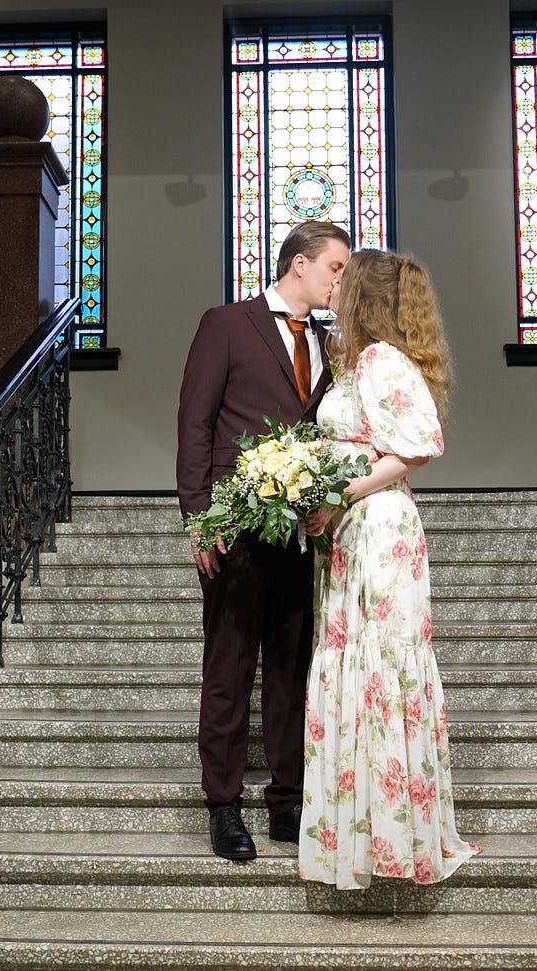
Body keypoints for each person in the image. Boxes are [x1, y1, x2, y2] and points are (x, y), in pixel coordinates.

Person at [298, 249, 481, 889]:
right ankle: (361, 833)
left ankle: (395, 837)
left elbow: (419, 446)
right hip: (353, 531)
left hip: (379, 531)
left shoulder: (383, 362)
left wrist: (340, 494)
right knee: (353, 662)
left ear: (363, 298)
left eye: (345, 281)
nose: (335, 287)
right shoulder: (357, 361)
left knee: (380, 666)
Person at [176, 220, 352, 861]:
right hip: (233, 526)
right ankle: (222, 807)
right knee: (229, 666)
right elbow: (194, 421)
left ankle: (288, 801)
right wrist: (199, 517)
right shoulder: (226, 323)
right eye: (335, 267)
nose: (342, 279)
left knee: (291, 669)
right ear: (299, 264)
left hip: (301, 532)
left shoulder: (333, 345)